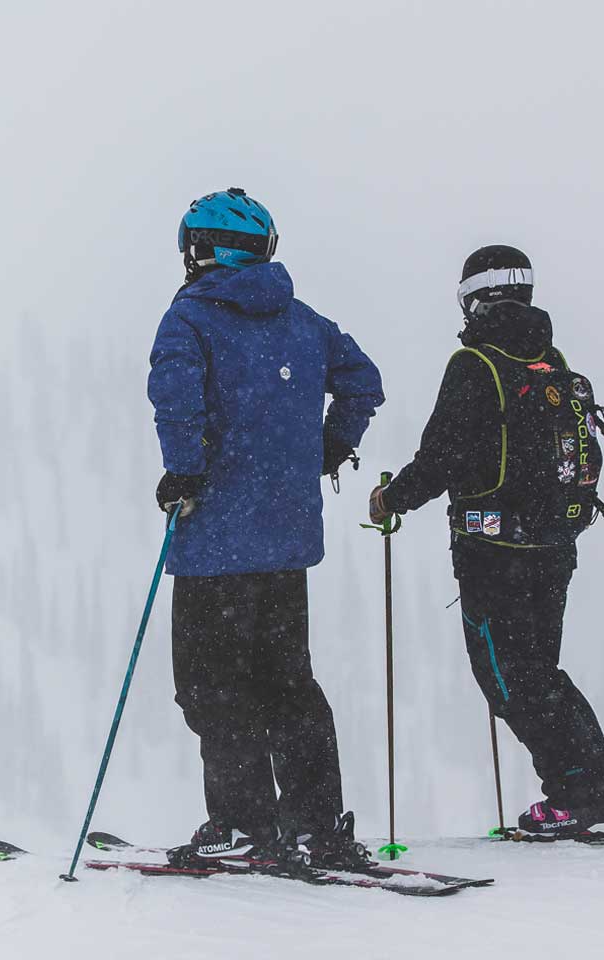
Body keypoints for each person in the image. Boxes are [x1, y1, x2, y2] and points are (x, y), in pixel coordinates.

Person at [148, 188, 385, 870]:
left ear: (206, 250)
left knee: (211, 687)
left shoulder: (189, 318)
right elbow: (362, 383)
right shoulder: (304, 320)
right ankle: (317, 824)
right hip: (285, 542)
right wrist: (326, 450)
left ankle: (247, 825)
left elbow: (176, 395)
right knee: (288, 684)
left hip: (214, 538)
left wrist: (184, 472)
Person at [369, 245, 604, 840]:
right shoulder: (550, 359)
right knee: (540, 672)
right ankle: (597, 790)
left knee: (509, 680)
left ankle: (576, 798)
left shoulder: (475, 364)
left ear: (471, 297)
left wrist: (392, 499)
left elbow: (441, 456)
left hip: (493, 550)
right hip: (556, 543)